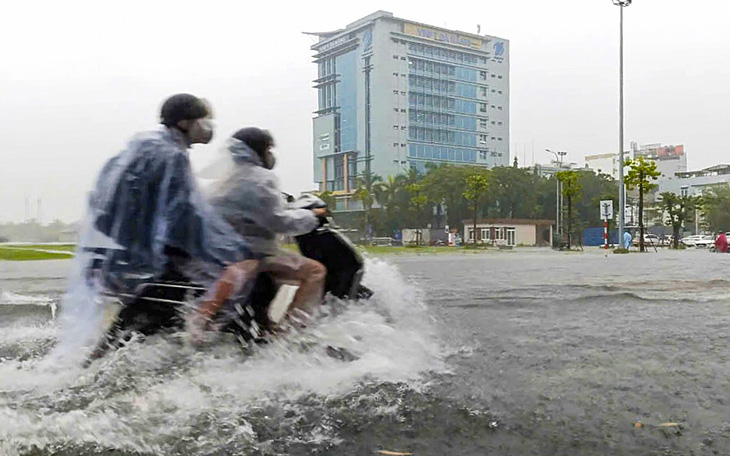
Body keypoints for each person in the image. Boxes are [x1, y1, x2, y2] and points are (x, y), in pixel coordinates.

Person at [68, 94, 256, 349]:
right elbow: (183, 213)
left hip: (130, 249)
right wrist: (224, 246)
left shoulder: (144, 145)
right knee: (145, 320)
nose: (209, 126)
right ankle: (92, 372)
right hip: (161, 254)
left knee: (146, 319)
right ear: (185, 122)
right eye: (204, 119)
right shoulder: (171, 155)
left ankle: (103, 361)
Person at [199, 127, 327, 326]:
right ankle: (288, 333)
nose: (270, 155)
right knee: (315, 271)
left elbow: (253, 211)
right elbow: (279, 222)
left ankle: (264, 322)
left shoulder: (224, 179)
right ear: (258, 150)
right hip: (252, 254)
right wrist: (311, 215)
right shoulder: (260, 178)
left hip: (221, 253)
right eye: (268, 150)